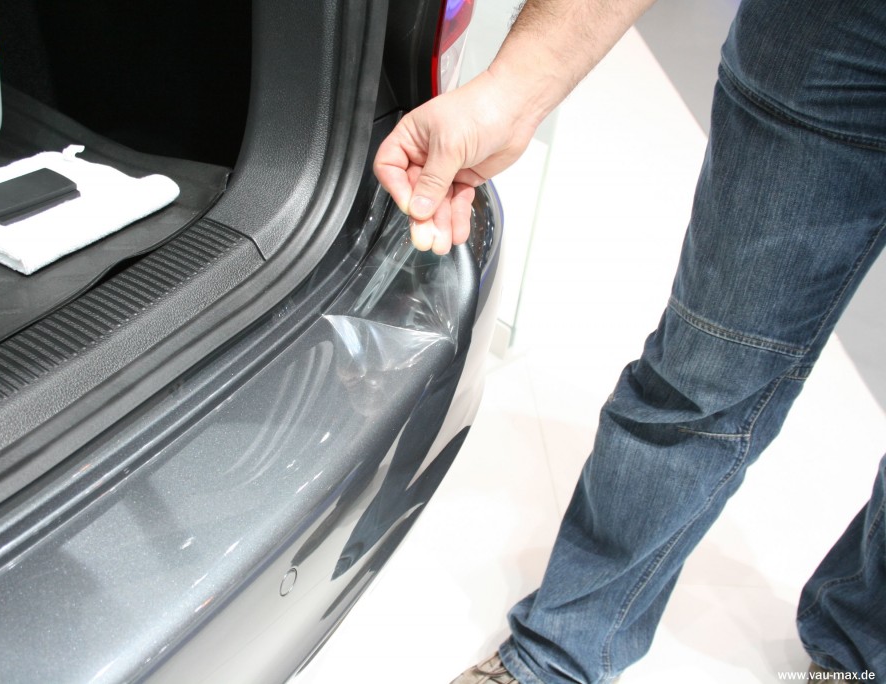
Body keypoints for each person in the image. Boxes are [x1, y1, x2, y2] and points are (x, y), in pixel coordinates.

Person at [373, 0, 886, 682]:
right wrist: (509, 92)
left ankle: (863, 652)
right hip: (840, 35)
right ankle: (559, 652)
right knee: (703, 375)